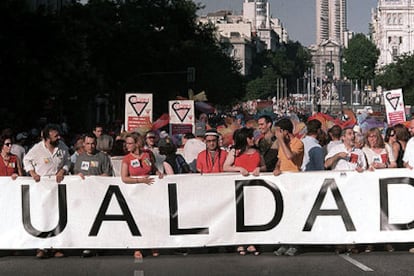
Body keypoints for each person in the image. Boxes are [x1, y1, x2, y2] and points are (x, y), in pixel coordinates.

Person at [23, 124, 71, 259]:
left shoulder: (62, 147)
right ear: (47, 137)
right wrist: (32, 173)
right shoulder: (37, 148)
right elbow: (26, 160)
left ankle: (56, 247)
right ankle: (41, 247)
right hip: (42, 187)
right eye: (55, 136)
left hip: (57, 186)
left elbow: (67, 161)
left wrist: (63, 170)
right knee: (42, 216)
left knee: (58, 215)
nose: (59, 137)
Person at [120, 132, 163, 259]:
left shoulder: (147, 154)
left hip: (149, 192)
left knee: (151, 219)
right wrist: (140, 180)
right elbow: (124, 178)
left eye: (129, 143)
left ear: (137, 144)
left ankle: (152, 245)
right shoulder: (127, 158)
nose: (127, 146)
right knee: (137, 220)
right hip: (135, 192)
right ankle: (137, 247)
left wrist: (158, 172)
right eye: (126, 143)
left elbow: (153, 168)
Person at [223, 127, 265, 256]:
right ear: (244, 139)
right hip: (238, 188)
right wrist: (239, 168)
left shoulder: (257, 151)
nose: (253, 139)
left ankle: (252, 242)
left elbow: (264, 165)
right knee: (239, 214)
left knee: (253, 215)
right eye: (250, 137)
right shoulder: (234, 152)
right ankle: (240, 242)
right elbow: (225, 167)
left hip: (255, 187)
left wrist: (260, 169)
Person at [73, 133, 113, 257]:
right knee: (86, 220)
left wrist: (93, 178)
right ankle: (87, 245)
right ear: (83, 144)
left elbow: (108, 174)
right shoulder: (80, 158)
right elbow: (75, 174)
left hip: (99, 194)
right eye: (88, 143)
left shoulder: (103, 157)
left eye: (93, 143)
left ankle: (100, 244)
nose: (90, 146)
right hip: (84, 195)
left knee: (100, 221)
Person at [272, 118, 304, 256]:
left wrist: (280, 140)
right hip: (283, 182)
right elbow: (280, 160)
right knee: (283, 213)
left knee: (293, 213)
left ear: (285, 131)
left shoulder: (298, 143)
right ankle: (284, 242)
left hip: (294, 181)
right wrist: (276, 168)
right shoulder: (282, 144)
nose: (276, 134)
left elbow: (290, 156)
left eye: (279, 131)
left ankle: (294, 243)